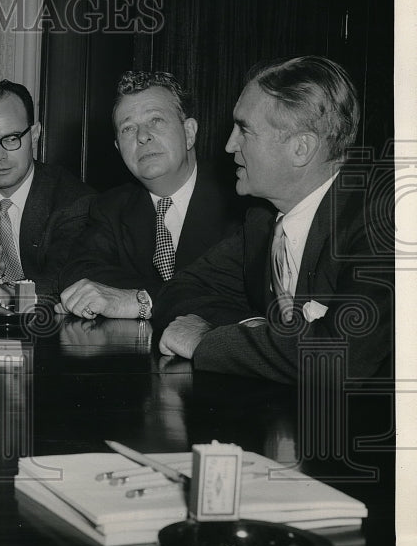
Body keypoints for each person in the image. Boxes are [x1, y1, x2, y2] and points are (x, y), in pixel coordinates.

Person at [155, 56, 393, 383]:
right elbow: (180, 290)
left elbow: (343, 355)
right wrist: (257, 331)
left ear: (301, 149)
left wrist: (206, 341)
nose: (228, 145)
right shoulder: (263, 222)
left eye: (244, 130)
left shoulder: (383, 221)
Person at [58, 70, 240, 320]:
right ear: (118, 149)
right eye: (128, 128)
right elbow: (78, 272)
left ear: (189, 132)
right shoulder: (110, 207)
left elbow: (238, 296)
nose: (142, 136)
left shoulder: (239, 201)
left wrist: (143, 300)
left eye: (156, 120)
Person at [0, 79, 94, 302]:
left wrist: (3, 293)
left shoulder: (73, 201)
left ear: (34, 134)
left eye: (11, 139)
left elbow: (63, 284)